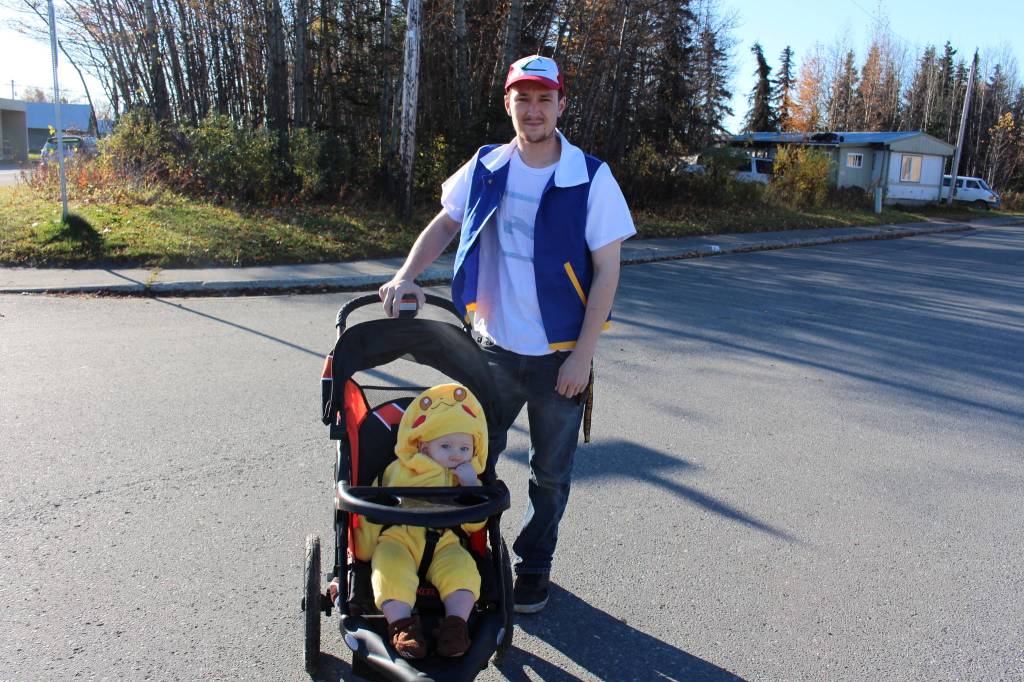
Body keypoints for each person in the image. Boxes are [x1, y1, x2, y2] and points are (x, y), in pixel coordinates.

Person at [378, 54, 635, 614]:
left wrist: (582, 358)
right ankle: (464, 556)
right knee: (465, 459)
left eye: (545, 98)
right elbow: (447, 220)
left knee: (550, 476)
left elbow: (608, 271)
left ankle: (534, 568)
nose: (534, 109)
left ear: (561, 104)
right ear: (509, 104)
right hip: (490, 348)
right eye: (524, 97)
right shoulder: (487, 165)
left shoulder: (590, 177)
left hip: (558, 358)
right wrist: (405, 275)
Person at [350, 383, 489, 659]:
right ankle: (402, 626)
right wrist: (363, 547)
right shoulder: (399, 469)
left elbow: (475, 525)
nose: (455, 454)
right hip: (396, 538)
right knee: (389, 572)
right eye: (445, 445)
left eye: (464, 448)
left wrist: (471, 487)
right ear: (424, 446)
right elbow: (373, 507)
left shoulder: (464, 477)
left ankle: (455, 626)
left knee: (463, 574)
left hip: (446, 541)